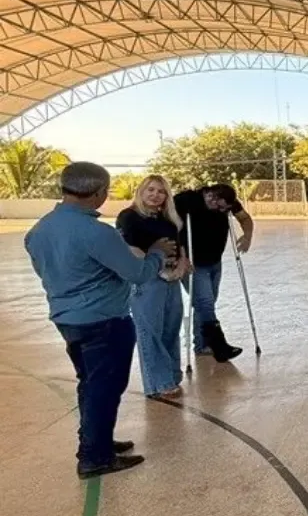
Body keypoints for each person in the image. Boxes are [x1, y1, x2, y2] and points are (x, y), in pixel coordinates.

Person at [25, 162, 174, 478]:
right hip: (104, 321)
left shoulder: (39, 230)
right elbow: (137, 273)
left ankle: (96, 441)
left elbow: (45, 272)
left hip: (68, 319)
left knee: (91, 383)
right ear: (99, 193)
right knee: (104, 388)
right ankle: (95, 458)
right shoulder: (97, 233)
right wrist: (157, 253)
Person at [116, 175, 189, 398]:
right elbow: (130, 249)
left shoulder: (168, 220)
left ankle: (171, 374)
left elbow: (179, 246)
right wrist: (156, 266)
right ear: (141, 191)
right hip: (147, 279)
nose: (155, 195)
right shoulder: (129, 217)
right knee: (150, 331)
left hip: (171, 278)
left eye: (161, 191)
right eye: (151, 189)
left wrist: (181, 264)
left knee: (171, 328)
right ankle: (158, 383)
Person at [174, 184, 254, 363]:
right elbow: (172, 228)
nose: (222, 211)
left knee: (205, 304)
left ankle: (202, 345)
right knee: (205, 302)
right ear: (211, 197)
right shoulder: (186, 200)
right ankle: (219, 345)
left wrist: (247, 236)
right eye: (220, 207)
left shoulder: (228, 202)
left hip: (214, 262)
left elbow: (244, 218)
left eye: (225, 209)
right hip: (192, 263)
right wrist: (181, 256)